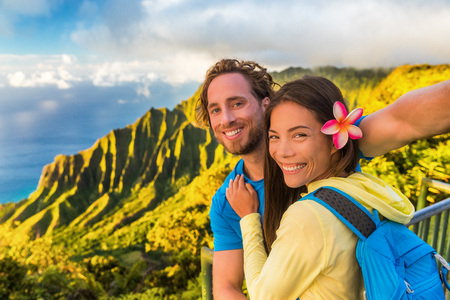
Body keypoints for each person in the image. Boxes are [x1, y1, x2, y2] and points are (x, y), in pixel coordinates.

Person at [195, 59, 450, 299]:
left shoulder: (333, 145)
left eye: (237, 103)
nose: (226, 118)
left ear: (265, 104)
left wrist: (249, 220)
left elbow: (403, 120)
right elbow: (226, 288)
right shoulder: (229, 199)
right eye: (215, 109)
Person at [226, 76, 415, 299]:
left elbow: (261, 295)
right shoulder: (364, 188)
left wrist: (248, 218)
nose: (282, 151)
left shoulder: (308, 216)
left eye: (299, 135)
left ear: (335, 141)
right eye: (274, 137)